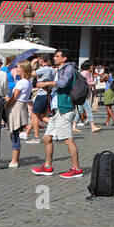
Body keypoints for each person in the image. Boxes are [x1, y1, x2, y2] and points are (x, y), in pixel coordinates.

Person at [32, 49, 83, 179]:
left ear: (64, 58)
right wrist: (44, 87)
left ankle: (76, 169)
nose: (54, 58)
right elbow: (57, 88)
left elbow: (63, 83)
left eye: (57, 56)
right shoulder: (58, 70)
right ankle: (47, 166)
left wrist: (47, 83)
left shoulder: (69, 69)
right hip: (57, 110)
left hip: (65, 109)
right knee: (47, 138)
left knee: (68, 140)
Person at [7, 64, 32, 168]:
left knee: (14, 134)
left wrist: (6, 104)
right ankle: (15, 158)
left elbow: (14, 97)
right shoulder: (28, 82)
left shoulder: (21, 82)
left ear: (23, 70)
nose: (16, 69)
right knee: (15, 133)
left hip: (16, 107)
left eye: (18, 67)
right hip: (21, 107)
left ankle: (14, 160)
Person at [74, 60, 95, 131]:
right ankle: (92, 126)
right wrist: (92, 84)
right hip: (83, 95)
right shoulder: (84, 73)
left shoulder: (89, 73)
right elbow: (82, 84)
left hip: (86, 94)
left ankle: (73, 126)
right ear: (88, 66)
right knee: (88, 110)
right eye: (91, 65)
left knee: (80, 111)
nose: (92, 67)